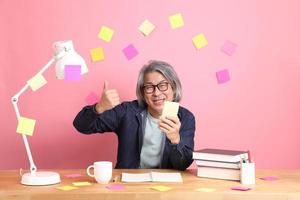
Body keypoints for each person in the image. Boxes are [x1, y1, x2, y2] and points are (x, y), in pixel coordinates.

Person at [73, 60, 195, 170]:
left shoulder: (186, 118)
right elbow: (81, 125)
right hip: (129, 184)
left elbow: (183, 165)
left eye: (163, 85)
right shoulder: (127, 112)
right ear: (143, 92)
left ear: (173, 87)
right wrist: (100, 107)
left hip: (166, 187)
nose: (156, 93)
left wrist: (175, 140)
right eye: (149, 87)